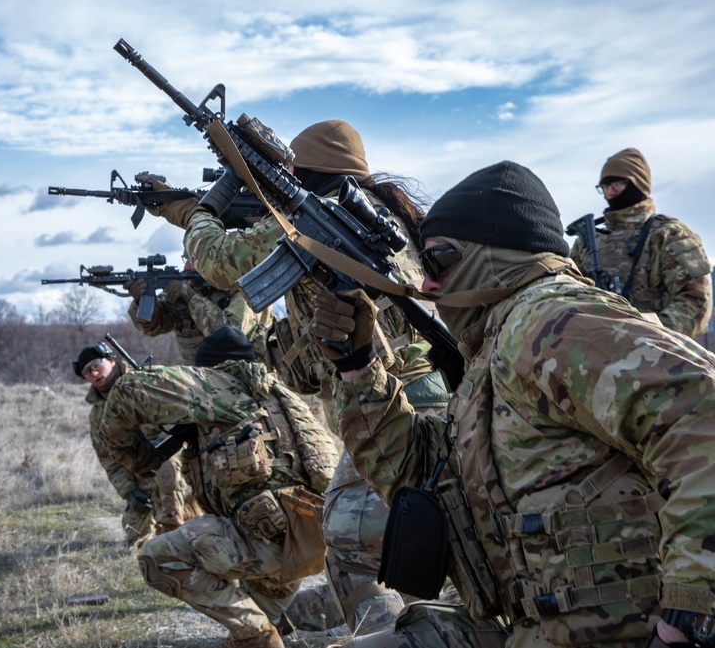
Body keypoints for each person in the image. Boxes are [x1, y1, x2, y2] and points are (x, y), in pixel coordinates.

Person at [309, 160, 715, 647]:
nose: (430, 285)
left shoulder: (550, 320)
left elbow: (702, 414)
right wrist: (358, 368)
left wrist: (687, 615)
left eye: (439, 262)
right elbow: (421, 480)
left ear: (494, 257)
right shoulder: (493, 351)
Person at [148, 119, 450, 636]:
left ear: (306, 169)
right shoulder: (378, 212)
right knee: (410, 536)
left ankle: (390, 638)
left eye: (291, 166)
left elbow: (218, 259)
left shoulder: (312, 219)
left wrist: (202, 208)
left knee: (349, 541)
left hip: (387, 407)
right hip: (421, 398)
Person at [97, 326, 340, 648]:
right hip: (308, 540)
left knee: (156, 557)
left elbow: (128, 389)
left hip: (265, 542)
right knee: (267, 612)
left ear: (206, 369)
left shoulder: (220, 383)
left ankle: (257, 636)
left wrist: (131, 456)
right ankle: (283, 623)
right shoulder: (280, 397)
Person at [570, 147, 712, 337]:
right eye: (604, 186)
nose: (610, 192)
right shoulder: (588, 240)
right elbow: (567, 295)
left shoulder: (670, 235)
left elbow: (696, 303)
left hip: (654, 356)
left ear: (638, 184)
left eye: (617, 184)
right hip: (592, 351)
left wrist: (641, 334)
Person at [74, 342, 198, 546]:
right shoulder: (98, 414)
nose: (94, 372)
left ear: (112, 361)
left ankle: (175, 530)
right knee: (136, 541)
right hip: (140, 472)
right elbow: (109, 459)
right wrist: (129, 492)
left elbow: (183, 414)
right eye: (87, 372)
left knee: (167, 471)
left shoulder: (145, 380)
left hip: (174, 461)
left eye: (96, 365)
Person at [123, 257, 274, 365]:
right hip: (202, 387)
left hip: (247, 385)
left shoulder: (246, 288)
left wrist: (191, 297)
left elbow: (232, 336)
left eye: (193, 260)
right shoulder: (187, 286)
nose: (187, 267)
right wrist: (141, 300)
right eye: (185, 259)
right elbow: (154, 327)